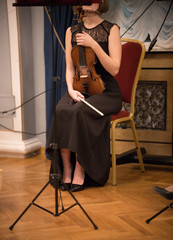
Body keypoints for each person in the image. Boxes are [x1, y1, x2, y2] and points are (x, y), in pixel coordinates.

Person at [46, 0, 122, 192]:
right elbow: (69, 68)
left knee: (79, 111)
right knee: (62, 110)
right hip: (79, 86)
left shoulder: (111, 29)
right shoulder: (71, 31)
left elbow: (114, 69)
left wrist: (94, 45)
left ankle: (81, 168)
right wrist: (70, 89)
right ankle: (67, 168)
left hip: (106, 91)